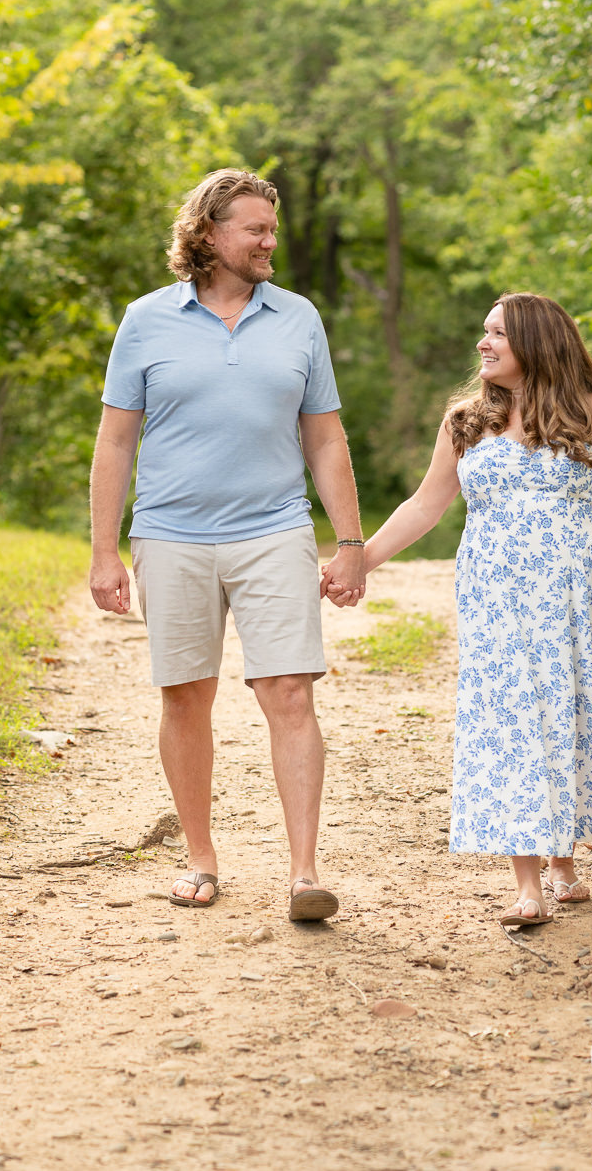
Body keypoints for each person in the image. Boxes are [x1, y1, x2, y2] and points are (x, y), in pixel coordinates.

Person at [325, 292, 592, 926]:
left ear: (536, 345)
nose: (483, 343)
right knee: (511, 721)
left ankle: (562, 856)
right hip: (497, 597)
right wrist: (358, 562)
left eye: (498, 335)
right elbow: (424, 507)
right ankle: (528, 885)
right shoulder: (465, 422)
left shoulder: (588, 412)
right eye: (483, 332)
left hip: (578, 591)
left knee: (569, 710)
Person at [89, 168, 365, 923]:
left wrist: (350, 542)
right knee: (186, 697)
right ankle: (202, 860)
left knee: (290, 691)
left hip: (275, 530)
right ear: (208, 234)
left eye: (272, 230)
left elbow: (325, 437)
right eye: (256, 229)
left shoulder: (299, 318)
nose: (270, 241)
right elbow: (115, 442)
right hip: (170, 535)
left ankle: (304, 872)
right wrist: (104, 551)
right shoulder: (146, 321)